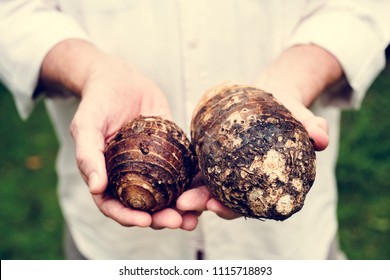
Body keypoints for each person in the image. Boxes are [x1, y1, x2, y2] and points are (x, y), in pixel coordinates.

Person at [0, 0, 389, 259]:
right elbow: (16, 14)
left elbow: (361, 9)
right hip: (114, 249)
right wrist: (89, 70)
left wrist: (299, 74)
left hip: (288, 249)